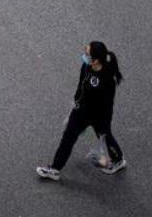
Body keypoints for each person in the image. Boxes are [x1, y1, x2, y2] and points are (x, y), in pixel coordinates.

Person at [36, 41, 127, 181]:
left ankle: (119, 160)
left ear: (96, 60)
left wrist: (100, 120)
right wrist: (76, 102)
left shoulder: (106, 78)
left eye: (87, 54)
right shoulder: (86, 66)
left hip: (99, 116)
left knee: (105, 137)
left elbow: (107, 103)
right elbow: (81, 85)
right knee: (67, 138)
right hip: (81, 111)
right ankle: (55, 169)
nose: (84, 55)